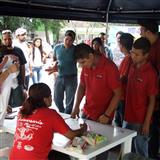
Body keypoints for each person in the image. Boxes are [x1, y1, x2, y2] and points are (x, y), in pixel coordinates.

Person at [9, 83, 87, 160]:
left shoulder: (23, 111)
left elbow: (37, 129)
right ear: (45, 99)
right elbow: (72, 135)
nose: (51, 98)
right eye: (50, 95)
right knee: (63, 156)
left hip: (14, 158)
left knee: (58, 155)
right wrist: (83, 129)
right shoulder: (51, 114)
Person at [123, 37, 158, 158]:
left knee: (140, 152)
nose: (133, 56)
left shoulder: (151, 73)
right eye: (132, 52)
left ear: (146, 55)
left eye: (137, 54)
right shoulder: (132, 66)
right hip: (128, 116)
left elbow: (152, 100)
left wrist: (147, 122)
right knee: (127, 148)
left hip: (141, 120)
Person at [71, 43, 121, 124]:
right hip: (87, 112)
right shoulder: (86, 66)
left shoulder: (109, 67)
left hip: (102, 116)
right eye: (79, 63)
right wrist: (76, 106)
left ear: (91, 56)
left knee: (101, 137)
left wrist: (107, 115)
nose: (81, 66)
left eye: (83, 62)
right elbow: (82, 86)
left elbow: (118, 94)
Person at [138, 19, 160, 158]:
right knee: (153, 131)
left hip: (156, 96)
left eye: (141, 31)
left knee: (154, 129)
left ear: (148, 32)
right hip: (152, 96)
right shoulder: (150, 46)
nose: (140, 33)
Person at [46, 30, 77, 114]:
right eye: (66, 39)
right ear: (64, 38)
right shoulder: (57, 47)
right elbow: (54, 59)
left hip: (71, 77)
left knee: (70, 100)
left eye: (70, 40)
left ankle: (67, 116)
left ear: (73, 40)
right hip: (59, 76)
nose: (68, 42)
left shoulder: (75, 49)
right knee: (57, 98)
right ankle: (62, 112)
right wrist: (54, 65)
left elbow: (80, 62)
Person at [1, 30, 27, 108]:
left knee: (18, 106)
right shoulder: (0, 51)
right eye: (5, 39)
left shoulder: (18, 50)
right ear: (2, 40)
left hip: (17, 83)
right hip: (3, 84)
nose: (7, 41)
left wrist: (23, 83)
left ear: (12, 38)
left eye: (9, 38)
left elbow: (23, 67)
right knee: (5, 107)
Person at [114, 33, 134, 127]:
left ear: (121, 45)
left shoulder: (128, 59)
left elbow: (123, 77)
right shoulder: (128, 58)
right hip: (122, 95)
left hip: (123, 96)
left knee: (120, 123)